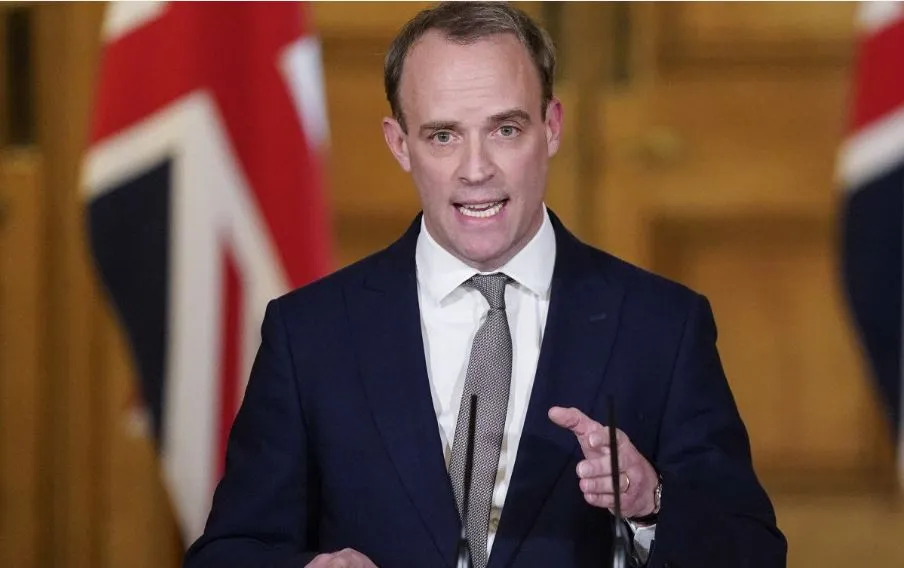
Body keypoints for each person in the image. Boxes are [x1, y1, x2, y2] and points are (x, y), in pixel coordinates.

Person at [183, 2, 787, 567]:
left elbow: (754, 552)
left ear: (551, 127)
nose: (476, 170)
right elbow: (231, 550)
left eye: (505, 130)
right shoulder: (309, 334)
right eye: (443, 136)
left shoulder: (662, 326)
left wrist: (651, 502)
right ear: (400, 144)